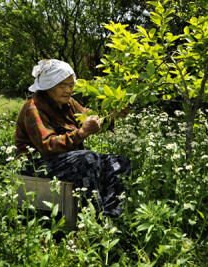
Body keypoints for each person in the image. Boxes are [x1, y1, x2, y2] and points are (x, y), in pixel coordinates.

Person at [15, 59, 131, 217]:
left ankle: (111, 217)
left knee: (120, 162)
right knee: (88, 158)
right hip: (35, 165)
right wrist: (81, 133)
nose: (68, 90)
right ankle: (91, 220)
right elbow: (48, 146)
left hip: (64, 161)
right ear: (49, 85)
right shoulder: (33, 108)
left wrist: (113, 115)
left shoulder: (69, 104)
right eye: (62, 86)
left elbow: (91, 118)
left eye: (71, 85)